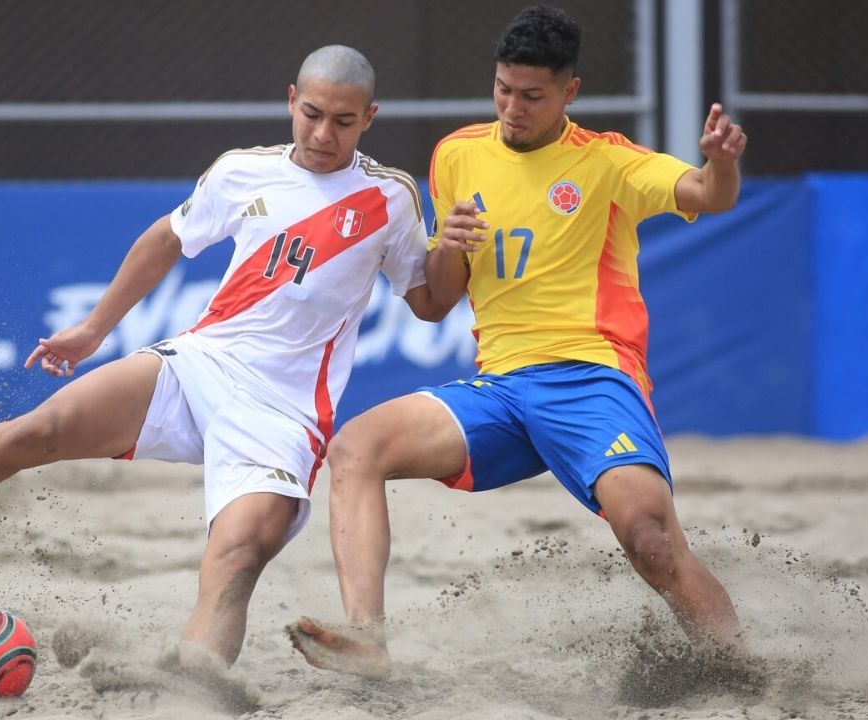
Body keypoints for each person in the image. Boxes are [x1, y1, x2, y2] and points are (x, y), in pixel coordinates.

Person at [0, 44, 453, 672]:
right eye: (311, 114)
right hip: (203, 363)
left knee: (235, 559)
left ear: (369, 119)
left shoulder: (392, 196)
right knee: (37, 431)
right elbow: (164, 239)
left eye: (343, 121)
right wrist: (95, 329)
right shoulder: (240, 171)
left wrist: (453, 249)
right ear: (291, 100)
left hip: (285, 412)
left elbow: (428, 303)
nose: (322, 134)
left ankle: (194, 684)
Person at [289, 5, 749, 680]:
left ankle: (741, 673)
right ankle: (368, 638)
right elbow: (439, 300)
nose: (512, 108)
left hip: (590, 377)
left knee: (651, 541)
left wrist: (721, 163)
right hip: (501, 388)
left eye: (532, 95)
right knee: (355, 448)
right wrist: (449, 245)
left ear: (570, 91)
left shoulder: (606, 161)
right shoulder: (458, 154)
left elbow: (710, 194)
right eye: (503, 89)